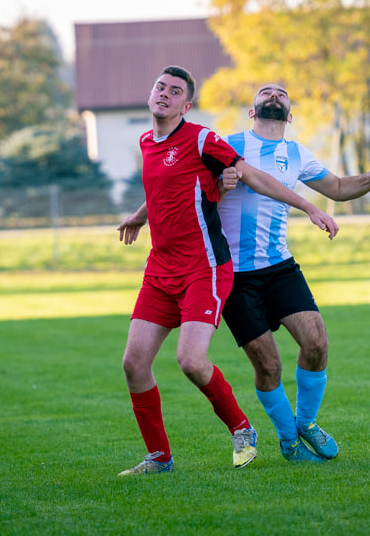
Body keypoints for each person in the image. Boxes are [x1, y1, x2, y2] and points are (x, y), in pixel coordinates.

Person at [116, 66, 339, 476]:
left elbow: (253, 176)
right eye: (159, 86)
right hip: (159, 270)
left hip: (204, 267)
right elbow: (165, 191)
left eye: (175, 90)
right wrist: (138, 217)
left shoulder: (203, 139)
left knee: (191, 362)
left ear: (187, 104)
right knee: (133, 364)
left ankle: (244, 428)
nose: (164, 93)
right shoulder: (147, 141)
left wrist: (308, 206)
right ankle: (159, 459)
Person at [217, 83, 370, 462]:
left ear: (290, 115)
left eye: (282, 93)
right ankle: (289, 442)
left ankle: (306, 422)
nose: (274, 95)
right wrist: (220, 181)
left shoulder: (296, 154)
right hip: (234, 275)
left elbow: (339, 188)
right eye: (266, 92)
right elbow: (195, 186)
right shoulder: (227, 144)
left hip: (279, 266)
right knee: (268, 366)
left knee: (316, 342)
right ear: (252, 112)